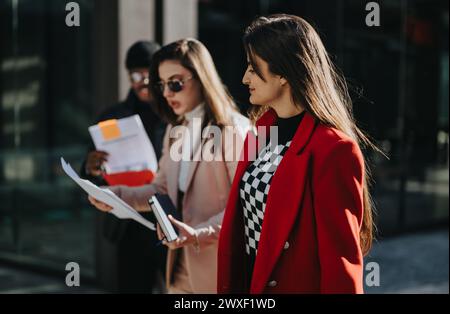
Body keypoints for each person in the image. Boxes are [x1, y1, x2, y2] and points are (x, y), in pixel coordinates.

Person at [218, 14, 378, 294]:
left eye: (254, 68)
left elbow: (341, 261)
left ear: (283, 73)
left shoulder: (334, 149)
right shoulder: (261, 131)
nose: (245, 78)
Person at [88, 38, 251, 293]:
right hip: (179, 270)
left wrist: (197, 234)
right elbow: (160, 189)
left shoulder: (234, 130)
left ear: (202, 78)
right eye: (162, 85)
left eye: (175, 83)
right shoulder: (176, 130)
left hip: (221, 272)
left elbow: (245, 208)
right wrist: (116, 196)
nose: (166, 93)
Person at [81, 40, 167, 293]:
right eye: (135, 75)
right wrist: (92, 167)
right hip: (129, 224)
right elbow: (90, 172)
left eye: (148, 74)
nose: (142, 81)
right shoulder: (112, 116)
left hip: (170, 217)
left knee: (179, 290)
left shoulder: (175, 112)